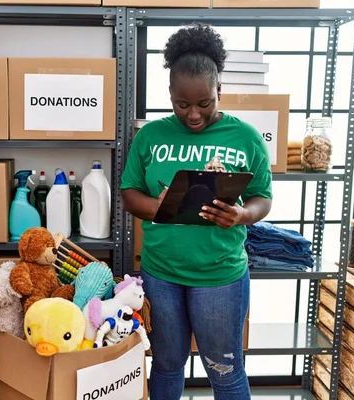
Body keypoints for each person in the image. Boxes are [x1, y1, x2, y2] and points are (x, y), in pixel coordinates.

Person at [120, 23, 273, 400]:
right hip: (161, 273)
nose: (192, 114)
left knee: (225, 371)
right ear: (170, 94)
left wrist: (243, 216)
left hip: (219, 274)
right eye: (182, 104)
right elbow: (128, 193)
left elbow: (262, 197)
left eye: (204, 103)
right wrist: (157, 206)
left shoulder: (246, 137)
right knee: (166, 365)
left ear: (219, 90)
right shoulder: (150, 136)